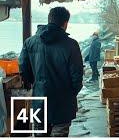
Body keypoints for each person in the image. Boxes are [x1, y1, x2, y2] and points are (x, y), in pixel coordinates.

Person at [18, 7, 83, 137]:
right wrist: (69, 94)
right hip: (63, 105)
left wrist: (37, 84)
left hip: (39, 102)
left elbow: (23, 69)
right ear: (65, 24)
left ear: (49, 20)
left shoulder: (30, 42)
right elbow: (77, 77)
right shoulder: (71, 45)